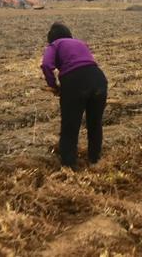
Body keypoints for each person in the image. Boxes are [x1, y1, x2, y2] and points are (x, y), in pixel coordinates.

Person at [41, 22, 108, 169]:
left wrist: (53, 85)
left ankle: (69, 165)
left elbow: (46, 65)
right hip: (98, 79)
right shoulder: (80, 43)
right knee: (95, 124)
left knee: (70, 125)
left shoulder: (55, 44)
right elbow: (87, 62)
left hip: (75, 81)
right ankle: (95, 160)